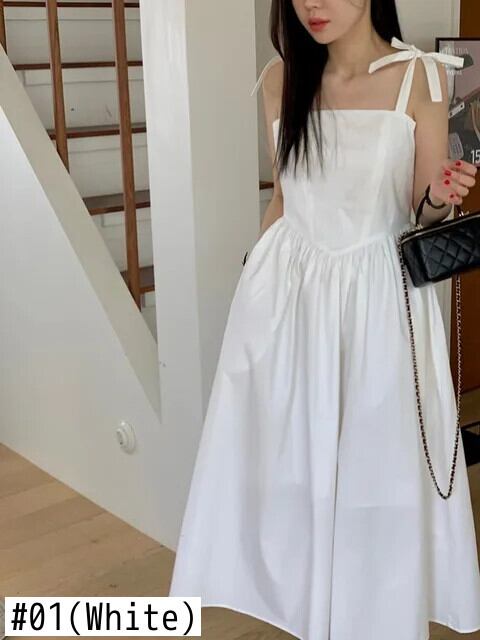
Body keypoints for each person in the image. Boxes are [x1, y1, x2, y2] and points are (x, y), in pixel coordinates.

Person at [168, 1, 480, 638]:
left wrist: (440, 196)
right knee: (289, 468)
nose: (312, 4)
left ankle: (374, 613)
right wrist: (252, 292)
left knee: (377, 468)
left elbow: (419, 211)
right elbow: (285, 198)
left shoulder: (420, 76)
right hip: (288, 299)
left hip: (380, 300)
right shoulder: (279, 79)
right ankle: (307, 608)